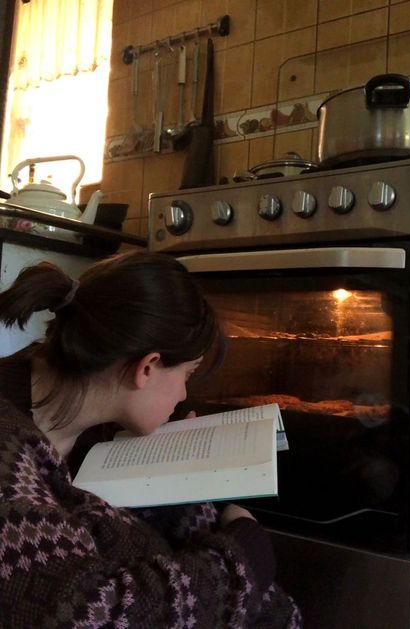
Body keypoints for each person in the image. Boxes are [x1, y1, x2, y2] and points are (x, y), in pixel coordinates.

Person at [0, 250, 302, 628]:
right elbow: (84, 614)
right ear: (146, 367)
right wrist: (244, 555)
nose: (182, 396)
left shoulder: (92, 426)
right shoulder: (7, 446)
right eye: (187, 374)